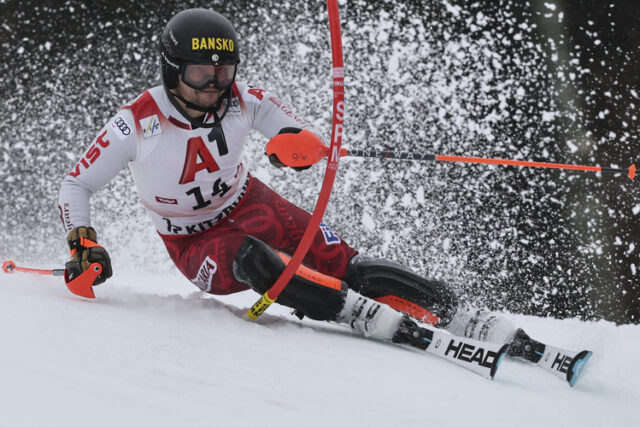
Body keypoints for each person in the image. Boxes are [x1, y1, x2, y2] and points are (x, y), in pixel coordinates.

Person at [58, 8, 584, 378]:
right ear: (173, 71)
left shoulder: (244, 99)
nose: (215, 85)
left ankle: (460, 314)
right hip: (193, 241)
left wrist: (296, 147)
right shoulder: (136, 122)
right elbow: (76, 183)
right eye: (201, 73)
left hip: (251, 202)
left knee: (346, 262)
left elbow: (299, 135)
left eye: (224, 71)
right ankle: (356, 314)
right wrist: (83, 243)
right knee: (256, 260)